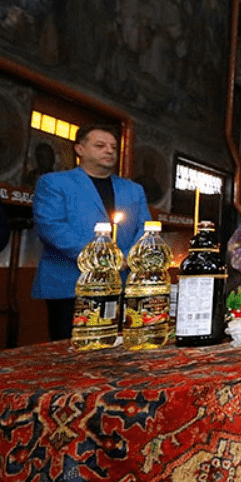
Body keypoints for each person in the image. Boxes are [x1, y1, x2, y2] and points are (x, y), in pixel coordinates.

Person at [31, 124, 152, 341]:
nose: (109, 151)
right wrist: (101, 258)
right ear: (80, 149)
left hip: (122, 281)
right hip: (71, 283)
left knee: (119, 347)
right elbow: (51, 226)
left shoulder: (133, 190)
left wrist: (128, 257)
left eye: (113, 147)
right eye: (100, 145)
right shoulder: (54, 182)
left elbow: (145, 228)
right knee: (71, 348)